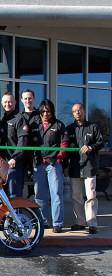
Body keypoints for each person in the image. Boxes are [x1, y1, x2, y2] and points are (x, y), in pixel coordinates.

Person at [29, 99, 68, 233]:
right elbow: (28, 144)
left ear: (52, 112)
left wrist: (58, 159)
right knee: (40, 194)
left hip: (53, 164)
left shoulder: (59, 125)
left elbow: (64, 144)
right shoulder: (34, 125)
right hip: (38, 164)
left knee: (56, 193)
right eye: (43, 111)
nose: (46, 114)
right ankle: (44, 221)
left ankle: (57, 223)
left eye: (48, 111)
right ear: (39, 112)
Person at [65, 103, 104, 234]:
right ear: (73, 113)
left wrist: (91, 147)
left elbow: (100, 142)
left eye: (79, 110)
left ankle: (92, 223)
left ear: (84, 111)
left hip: (89, 166)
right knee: (76, 196)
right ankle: (80, 222)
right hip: (75, 167)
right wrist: (65, 165)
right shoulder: (69, 129)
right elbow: (66, 150)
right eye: (75, 111)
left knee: (91, 196)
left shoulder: (93, 127)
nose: (77, 113)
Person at [0, 92, 28, 198]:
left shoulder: (19, 119)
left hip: (14, 164)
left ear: (15, 102)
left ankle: (17, 215)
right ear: (2, 103)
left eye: (10, 101)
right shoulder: (2, 120)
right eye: (5, 102)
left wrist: (15, 158)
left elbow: (23, 141)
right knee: (4, 195)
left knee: (14, 195)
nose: (8, 104)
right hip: (2, 164)